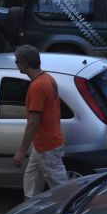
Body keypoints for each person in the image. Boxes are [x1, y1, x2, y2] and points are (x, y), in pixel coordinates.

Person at [12, 45, 68, 199]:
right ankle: (29, 209)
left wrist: (22, 151)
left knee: (60, 187)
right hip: (43, 144)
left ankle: (71, 211)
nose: (16, 64)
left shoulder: (37, 86)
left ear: (25, 63)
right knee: (31, 180)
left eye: (17, 62)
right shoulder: (47, 78)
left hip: (47, 146)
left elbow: (33, 123)